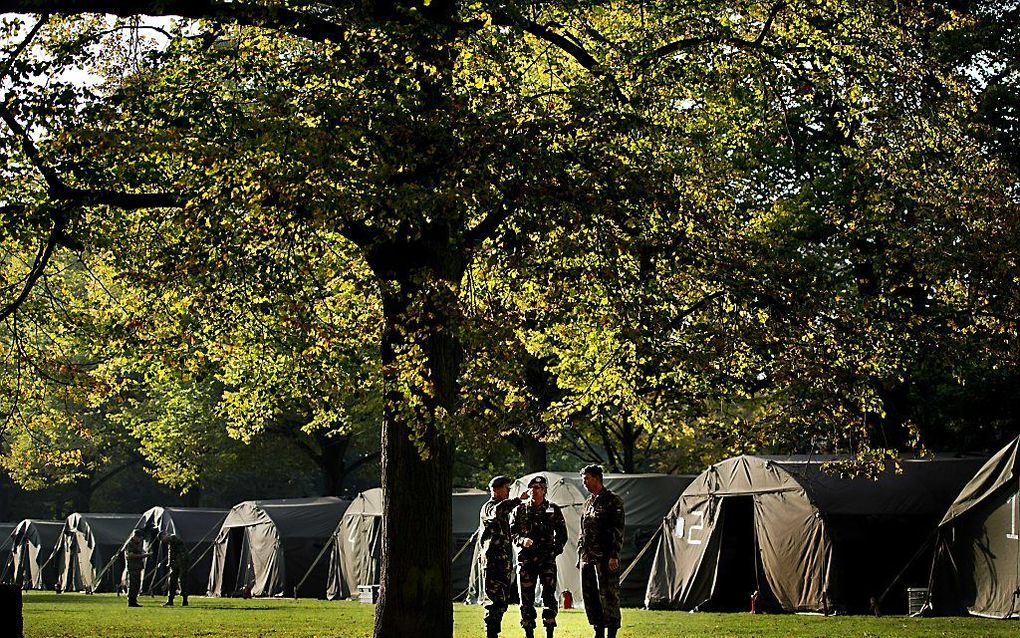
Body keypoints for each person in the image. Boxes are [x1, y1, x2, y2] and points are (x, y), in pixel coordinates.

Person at [510, 475, 568, 638]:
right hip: (526, 561)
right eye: (531, 488)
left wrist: (553, 551)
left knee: (549, 596)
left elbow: (562, 534)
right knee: (526, 599)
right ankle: (529, 632)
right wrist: (522, 541)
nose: (533, 491)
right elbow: (512, 533)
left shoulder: (553, 509)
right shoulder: (520, 510)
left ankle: (549, 631)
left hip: (546, 561)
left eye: (537, 488)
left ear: (544, 490)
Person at [579, 464, 625, 638]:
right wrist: (580, 555)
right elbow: (583, 531)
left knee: (609, 595)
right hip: (588, 558)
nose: (584, 483)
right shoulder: (588, 502)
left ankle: (611, 632)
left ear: (596, 478)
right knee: (591, 597)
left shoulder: (613, 501)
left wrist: (614, 555)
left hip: (605, 558)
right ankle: (598, 630)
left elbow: (618, 530)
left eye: (586, 479)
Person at [479, 476, 527, 638]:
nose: (509, 491)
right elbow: (496, 512)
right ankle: (491, 634)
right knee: (493, 602)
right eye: (507, 488)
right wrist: (517, 500)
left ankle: (494, 633)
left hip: (503, 563)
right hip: (492, 563)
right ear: (496, 490)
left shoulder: (504, 510)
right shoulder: (489, 507)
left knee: (501, 602)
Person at [159, 530, 191, 607]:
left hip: (181, 562)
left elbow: (171, 552)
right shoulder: (172, 540)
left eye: (162, 538)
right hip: (177, 563)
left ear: (165, 535)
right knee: (172, 581)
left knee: (182, 581)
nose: (164, 541)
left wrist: (170, 563)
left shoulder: (172, 538)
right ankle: (171, 600)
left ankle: (183, 600)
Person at [123, 528, 152, 608]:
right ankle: (131, 601)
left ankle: (134, 601)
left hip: (138, 567)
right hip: (132, 568)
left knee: (137, 585)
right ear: (135, 536)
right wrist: (144, 555)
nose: (140, 539)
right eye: (139, 538)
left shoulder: (137, 544)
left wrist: (145, 553)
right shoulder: (130, 544)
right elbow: (130, 555)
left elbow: (141, 551)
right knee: (132, 585)